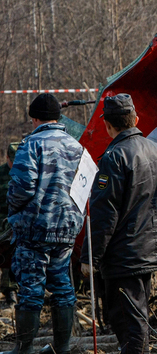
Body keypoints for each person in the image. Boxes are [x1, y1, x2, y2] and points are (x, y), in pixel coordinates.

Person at [82, 94, 157, 354]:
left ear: (108, 126)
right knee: (138, 320)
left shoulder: (114, 157)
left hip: (124, 256)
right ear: (136, 119)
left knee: (128, 325)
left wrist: (91, 256)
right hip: (149, 249)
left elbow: (103, 213)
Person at [4, 94, 85, 354]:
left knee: (30, 289)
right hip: (67, 228)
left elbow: (21, 188)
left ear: (35, 118)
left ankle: (24, 349)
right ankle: (63, 348)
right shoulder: (77, 146)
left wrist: (14, 212)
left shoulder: (31, 144)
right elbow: (85, 188)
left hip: (35, 228)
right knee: (62, 286)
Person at [0, 142, 19, 305]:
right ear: (7, 158)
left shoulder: (26, 172)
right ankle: (9, 289)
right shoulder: (1, 174)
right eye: (13, 160)